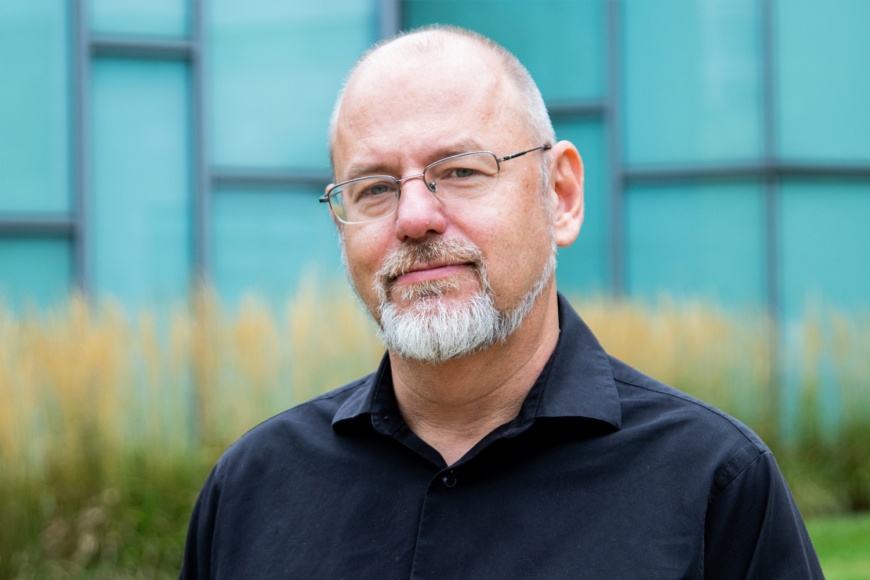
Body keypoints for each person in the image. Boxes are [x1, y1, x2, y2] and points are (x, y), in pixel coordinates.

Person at [181, 26, 822, 578]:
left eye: (461, 170)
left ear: (561, 195)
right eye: (374, 188)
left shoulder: (713, 485)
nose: (415, 218)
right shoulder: (253, 490)